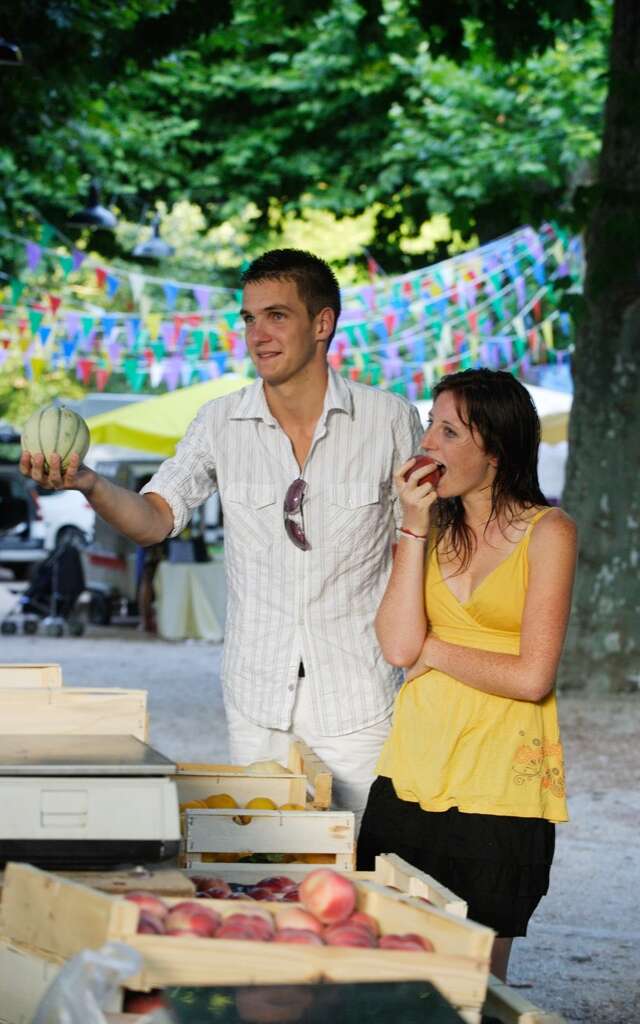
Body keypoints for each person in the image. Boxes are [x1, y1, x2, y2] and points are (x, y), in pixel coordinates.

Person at [20, 249, 423, 823]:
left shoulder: (390, 419)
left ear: (322, 323)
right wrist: (87, 482)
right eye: (248, 318)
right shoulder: (219, 422)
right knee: (264, 864)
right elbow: (154, 519)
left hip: (361, 700)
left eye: (277, 315)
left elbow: (428, 539)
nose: (257, 333)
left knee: (360, 872)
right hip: (257, 698)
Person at [356, 368, 577, 981]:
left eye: (449, 431)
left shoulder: (549, 532)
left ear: (496, 451)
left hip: (502, 784)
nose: (428, 443)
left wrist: (438, 653)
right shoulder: (428, 526)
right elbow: (400, 646)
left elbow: (533, 677)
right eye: (430, 424)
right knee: (387, 967)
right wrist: (413, 524)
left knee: (477, 979)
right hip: (411, 770)